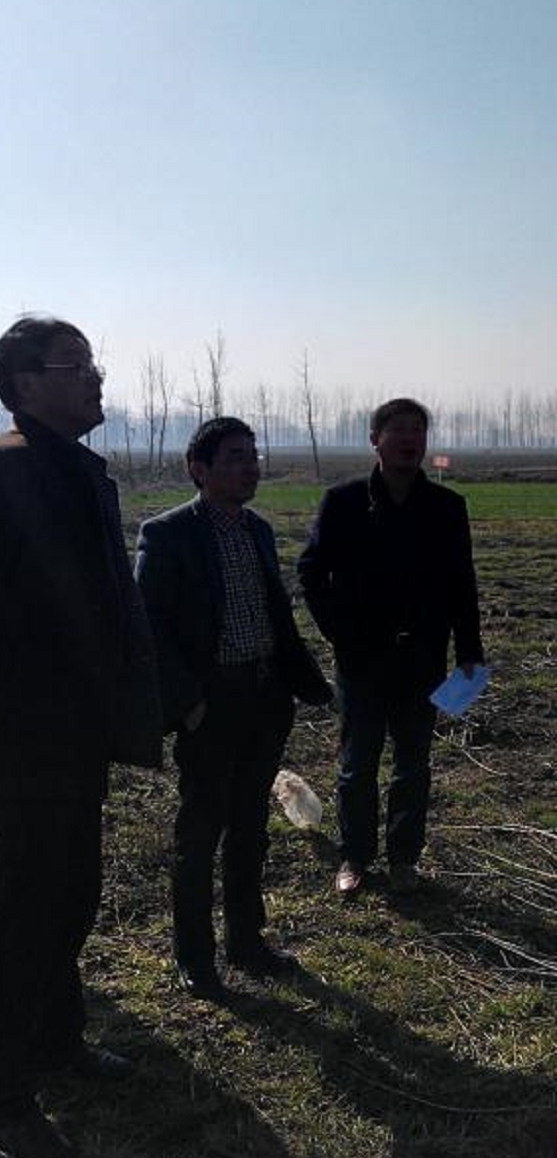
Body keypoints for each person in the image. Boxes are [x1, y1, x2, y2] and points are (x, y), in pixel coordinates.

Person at [0, 314, 161, 1158]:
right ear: (24, 385)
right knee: (17, 915)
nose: (95, 378)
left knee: (71, 897)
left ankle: (60, 1041)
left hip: (76, 732)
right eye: (75, 365)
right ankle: (3, 1095)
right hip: (19, 736)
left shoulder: (81, 471)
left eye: (93, 364)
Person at [135, 416, 332, 1001]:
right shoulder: (167, 534)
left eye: (253, 456)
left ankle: (247, 941)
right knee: (200, 832)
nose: (250, 468)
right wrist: (189, 703)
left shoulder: (258, 530)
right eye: (235, 458)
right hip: (211, 703)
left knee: (250, 827)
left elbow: (276, 618)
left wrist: (307, 685)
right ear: (199, 470)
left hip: (265, 698)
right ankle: (194, 957)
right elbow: (150, 629)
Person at [297, 397, 484, 897]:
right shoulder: (343, 502)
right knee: (357, 763)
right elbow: (311, 572)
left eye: (417, 431)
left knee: (413, 765)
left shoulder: (447, 507)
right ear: (375, 440)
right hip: (362, 660)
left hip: (423, 659)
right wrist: (340, 633)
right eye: (398, 430)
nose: (409, 440)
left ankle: (404, 859)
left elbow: (462, 585)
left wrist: (470, 652)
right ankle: (355, 856)